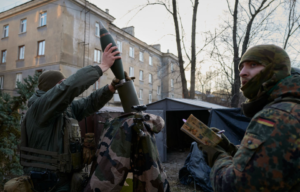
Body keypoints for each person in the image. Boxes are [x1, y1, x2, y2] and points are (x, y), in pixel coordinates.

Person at [20, 43, 121, 192]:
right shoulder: (39, 109)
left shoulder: (65, 110)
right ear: (52, 89)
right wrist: (101, 66)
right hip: (47, 185)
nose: (64, 85)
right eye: (60, 83)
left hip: (66, 182)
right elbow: (68, 88)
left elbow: (89, 103)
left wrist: (110, 88)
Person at [200, 44, 300, 191]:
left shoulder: (276, 116)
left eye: (253, 65)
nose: (242, 73)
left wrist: (217, 156)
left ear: (275, 70)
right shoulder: (291, 107)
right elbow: (270, 161)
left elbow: (235, 186)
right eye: (241, 67)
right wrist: (230, 149)